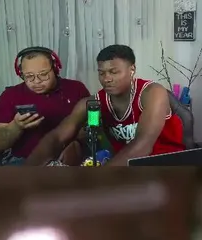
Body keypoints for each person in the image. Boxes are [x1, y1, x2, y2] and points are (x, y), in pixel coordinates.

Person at [25, 44, 186, 166]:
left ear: (132, 69)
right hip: (124, 170)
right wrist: (28, 171)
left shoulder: (152, 92)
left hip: (168, 166)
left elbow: (143, 145)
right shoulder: (92, 103)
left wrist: (102, 177)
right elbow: (57, 137)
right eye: (101, 73)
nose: (107, 79)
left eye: (114, 72)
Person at [0, 47, 91, 163]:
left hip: (71, 159)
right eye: (29, 76)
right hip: (26, 162)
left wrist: (75, 142)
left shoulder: (77, 88)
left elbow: (93, 126)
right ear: (20, 73)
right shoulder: (10, 95)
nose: (37, 81)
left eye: (43, 74)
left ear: (55, 68)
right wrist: (16, 127)